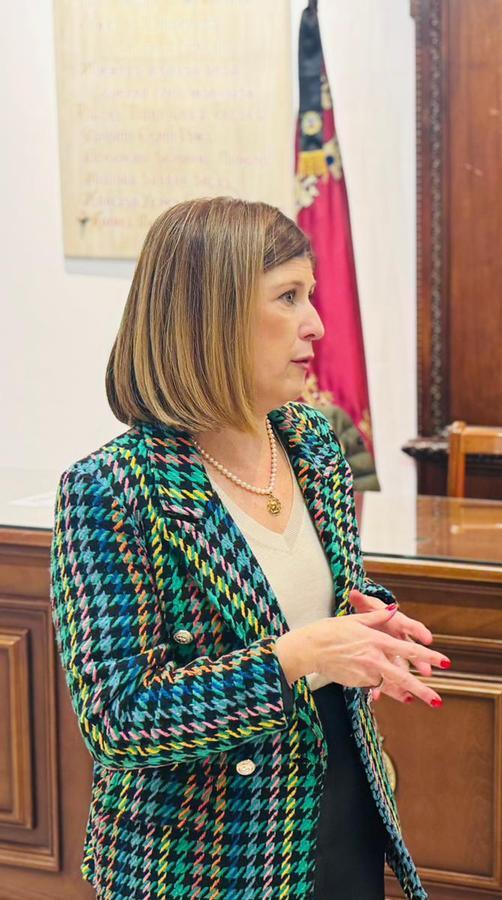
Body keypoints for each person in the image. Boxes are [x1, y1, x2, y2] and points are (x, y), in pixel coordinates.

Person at [51, 197, 448, 899]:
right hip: (204, 850)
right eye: (288, 297)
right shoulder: (113, 486)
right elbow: (119, 718)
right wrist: (298, 655)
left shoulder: (311, 439)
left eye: (312, 295)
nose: (316, 323)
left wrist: (371, 626)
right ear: (214, 316)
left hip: (339, 796)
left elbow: (320, 595)